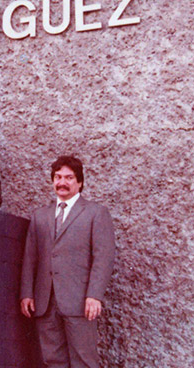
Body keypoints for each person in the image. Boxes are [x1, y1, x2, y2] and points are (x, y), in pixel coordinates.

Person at [20, 155, 115, 368]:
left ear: (79, 182)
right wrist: (27, 292)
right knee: (52, 360)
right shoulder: (39, 216)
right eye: (58, 177)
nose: (62, 182)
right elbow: (30, 257)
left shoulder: (95, 213)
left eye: (69, 178)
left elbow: (103, 257)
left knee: (84, 360)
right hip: (45, 301)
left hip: (80, 302)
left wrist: (94, 295)